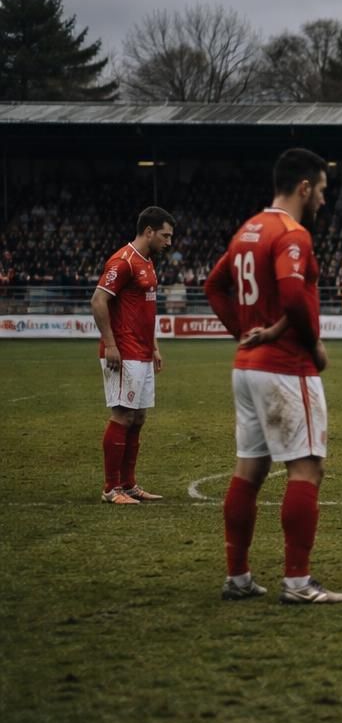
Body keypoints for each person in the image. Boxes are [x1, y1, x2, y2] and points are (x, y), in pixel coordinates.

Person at [204, 148, 342, 604]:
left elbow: (214, 286)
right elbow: (292, 297)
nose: (324, 200)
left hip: (247, 369)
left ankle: (238, 577)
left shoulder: (247, 229)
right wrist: (313, 346)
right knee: (307, 468)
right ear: (304, 186)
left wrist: (244, 334)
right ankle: (298, 582)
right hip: (286, 368)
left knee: (250, 468)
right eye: (322, 190)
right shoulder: (292, 234)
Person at [91, 206, 176, 504]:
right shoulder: (123, 260)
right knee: (123, 415)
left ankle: (128, 485)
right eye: (165, 235)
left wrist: (153, 346)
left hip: (141, 352)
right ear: (149, 231)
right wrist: (111, 345)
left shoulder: (148, 262)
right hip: (123, 352)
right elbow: (98, 300)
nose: (169, 242)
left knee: (138, 417)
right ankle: (110, 489)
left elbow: (143, 310)